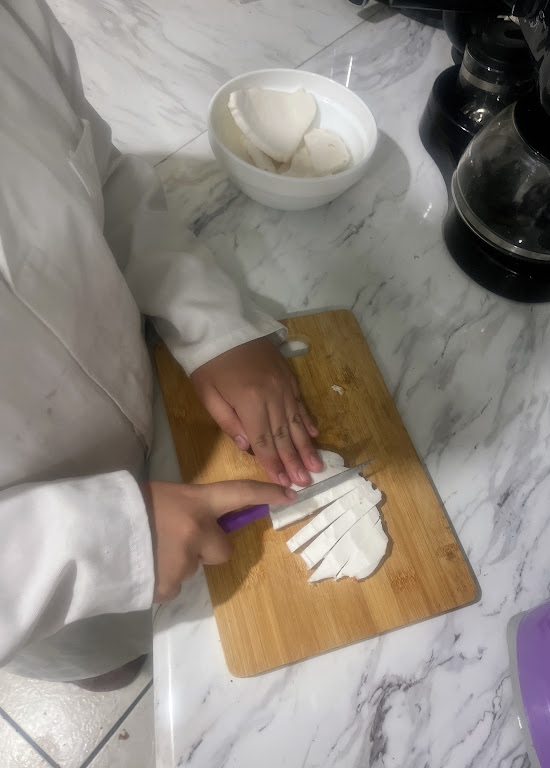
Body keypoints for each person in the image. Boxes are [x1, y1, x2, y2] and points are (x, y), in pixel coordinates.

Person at [0, 0, 322, 686]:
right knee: (111, 660)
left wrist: (213, 326)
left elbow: (100, 175)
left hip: (153, 412)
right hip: (41, 588)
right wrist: (91, 546)